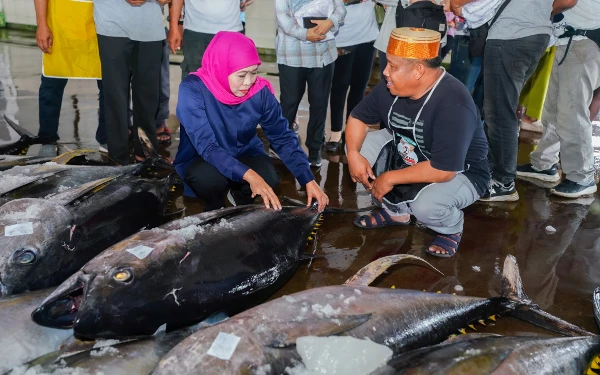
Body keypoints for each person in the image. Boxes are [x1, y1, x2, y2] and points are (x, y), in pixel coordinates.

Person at [346, 27, 489, 258]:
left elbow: (443, 170)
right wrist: (353, 153)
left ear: (418, 71)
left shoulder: (453, 103)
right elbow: (357, 118)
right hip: (412, 151)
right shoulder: (390, 87)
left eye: (393, 66)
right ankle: (396, 212)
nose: (385, 72)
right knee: (360, 146)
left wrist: (389, 177)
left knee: (426, 207)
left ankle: (450, 228)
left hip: (461, 171)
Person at [174, 32, 329, 212]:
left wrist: (307, 178)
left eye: (253, 73)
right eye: (241, 75)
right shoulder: (193, 90)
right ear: (221, 67)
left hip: (243, 151)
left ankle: (240, 197)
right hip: (204, 157)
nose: (248, 82)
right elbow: (207, 146)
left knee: (269, 177)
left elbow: (282, 137)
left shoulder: (260, 92)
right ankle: (214, 204)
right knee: (206, 179)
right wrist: (250, 175)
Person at [517, 0, 599, 198]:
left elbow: (566, 1)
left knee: (572, 112)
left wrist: (539, 15)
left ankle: (581, 176)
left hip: (583, 41)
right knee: (553, 109)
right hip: (567, 41)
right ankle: (543, 164)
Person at [93, 0, 167, 165]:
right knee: (115, 95)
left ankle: (146, 154)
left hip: (150, 28)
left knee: (148, 96)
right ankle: (118, 158)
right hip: (112, 27)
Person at [275, 0, 346, 167]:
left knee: (320, 103)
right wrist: (305, 34)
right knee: (289, 103)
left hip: (323, 54)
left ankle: (314, 150)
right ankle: (280, 146)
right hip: (292, 54)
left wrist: (330, 22)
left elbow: (340, 9)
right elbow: (283, 18)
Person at [34, 0, 105, 153]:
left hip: (99, 23)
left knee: (110, 85)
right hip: (59, 25)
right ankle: (47, 138)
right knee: (51, 86)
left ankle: (107, 137)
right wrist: (42, 24)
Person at [326, 0, 379, 153]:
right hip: (342, 38)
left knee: (359, 86)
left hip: (367, 37)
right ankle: (335, 133)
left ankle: (352, 131)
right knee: (339, 87)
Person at [169, 0, 244, 79]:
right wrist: (174, 27)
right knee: (194, 80)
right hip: (195, 31)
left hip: (231, 30)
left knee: (230, 80)